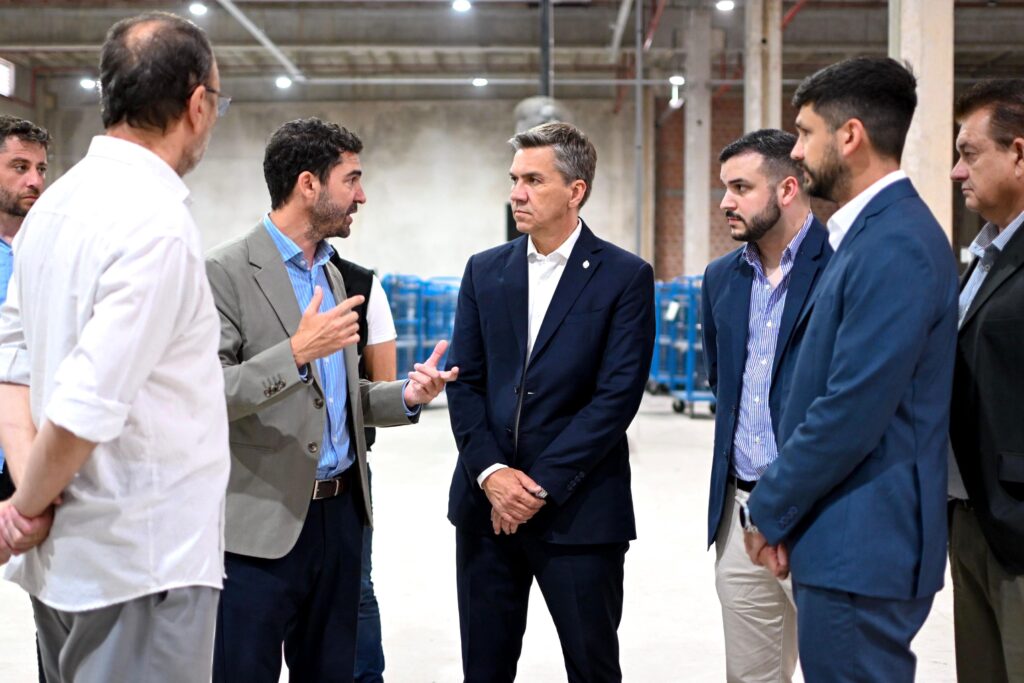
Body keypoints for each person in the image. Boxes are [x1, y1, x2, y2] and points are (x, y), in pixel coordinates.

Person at [0, 11, 230, 682]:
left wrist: (30, 500)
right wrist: (24, 507)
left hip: (64, 562)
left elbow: (12, 366)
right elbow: (84, 404)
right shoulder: (156, 224)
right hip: (140, 566)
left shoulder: (53, 208)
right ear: (196, 104)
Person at [206, 116, 455, 683]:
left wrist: (405, 395)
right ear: (308, 184)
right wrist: (294, 352)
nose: (361, 196)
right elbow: (206, 394)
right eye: (352, 179)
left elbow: (337, 397)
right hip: (259, 528)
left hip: (341, 519)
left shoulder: (334, 276)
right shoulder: (224, 272)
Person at [743, 57, 958, 681]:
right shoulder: (868, 236)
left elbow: (850, 410)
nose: (796, 151)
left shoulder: (895, 244)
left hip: (863, 545)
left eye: (805, 133)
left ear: (850, 136)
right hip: (844, 537)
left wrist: (768, 508)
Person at [446, 121, 655, 683]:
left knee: (592, 667)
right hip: (486, 509)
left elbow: (616, 398)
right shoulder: (485, 270)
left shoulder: (624, 277)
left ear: (575, 190)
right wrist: (492, 474)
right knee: (484, 670)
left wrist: (536, 488)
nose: (517, 193)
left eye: (534, 180)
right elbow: (465, 382)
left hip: (579, 512)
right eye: (514, 179)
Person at [701, 128, 832, 683]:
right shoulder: (720, 278)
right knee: (750, 676)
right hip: (740, 513)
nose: (725, 202)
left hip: (822, 511)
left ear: (787, 189)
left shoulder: (842, 266)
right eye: (724, 188)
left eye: (740, 188)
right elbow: (721, 381)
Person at [948, 78, 1024, 683]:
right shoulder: (983, 257)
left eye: (969, 154)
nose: (956, 171)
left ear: (1018, 154)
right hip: (970, 518)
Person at [0, 116, 49, 502]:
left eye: (40, 169)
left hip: (34, 447)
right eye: (20, 167)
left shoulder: (50, 250)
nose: (34, 180)